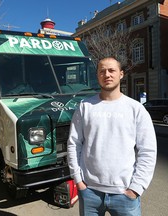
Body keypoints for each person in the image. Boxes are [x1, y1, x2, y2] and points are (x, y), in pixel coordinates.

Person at [67, 56, 157, 215]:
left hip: (125, 194)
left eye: (111, 70)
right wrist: (78, 181)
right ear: (97, 76)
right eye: (102, 71)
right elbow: (74, 144)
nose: (107, 74)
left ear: (121, 74)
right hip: (90, 192)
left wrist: (136, 188)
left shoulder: (135, 109)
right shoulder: (85, 107)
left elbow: (148, 151)